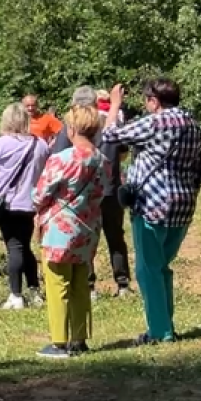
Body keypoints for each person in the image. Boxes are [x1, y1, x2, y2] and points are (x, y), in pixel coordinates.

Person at [102, 79, 201, 344]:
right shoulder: (193, 125)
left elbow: (110, 136)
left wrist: (115, 105)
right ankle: (165, 325)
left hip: (152, 204)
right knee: (161, 266)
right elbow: (199, 169)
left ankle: (160, 332)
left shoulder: (155, 123)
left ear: (154, 100)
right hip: (183, 205)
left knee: (148, 270)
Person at [34, 105, 110, 359]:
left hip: (60, 228)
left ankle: (58, 342)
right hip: (88, 227)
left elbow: (40, 194)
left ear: (72, 128)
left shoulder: (62, 159)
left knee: (57, 283)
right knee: (80, 282)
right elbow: (102, 192)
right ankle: (79, 339)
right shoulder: (102, 160)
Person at [50, 86, 132, 296]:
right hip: (110, 187)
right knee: (115, 236)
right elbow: (123, 152)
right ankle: (123, 283)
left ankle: (89, 286)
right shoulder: (109, 123)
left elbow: (59, 157)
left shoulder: (71, 128)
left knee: (85, 235)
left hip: (83, 191)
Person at [0, 103, 50, 310]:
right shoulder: (40, 144)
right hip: (31, 203)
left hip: (7, 204)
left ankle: (16, 294)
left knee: (14, 247)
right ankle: (34, 289)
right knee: (24, 245)